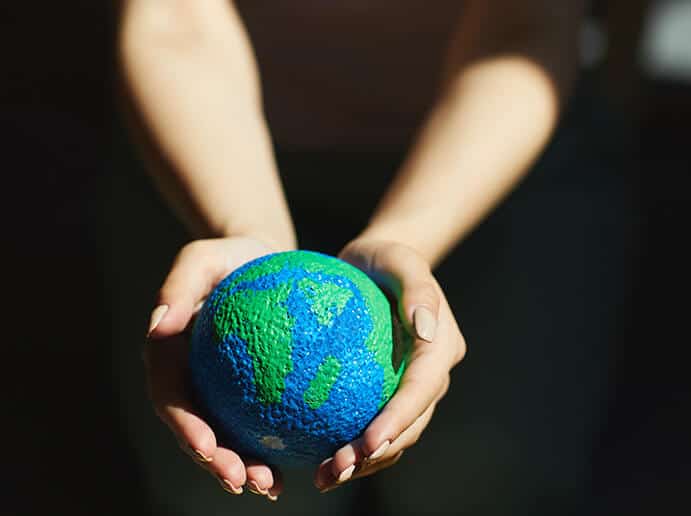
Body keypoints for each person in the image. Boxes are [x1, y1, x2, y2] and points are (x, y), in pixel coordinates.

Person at [109, 1, 627, 514]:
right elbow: (176, 18)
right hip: (211, 144)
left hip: (492, 152)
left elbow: (523, 28)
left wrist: (409, 236)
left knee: (487, 471)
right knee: (229, 497)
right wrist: (249, 234)